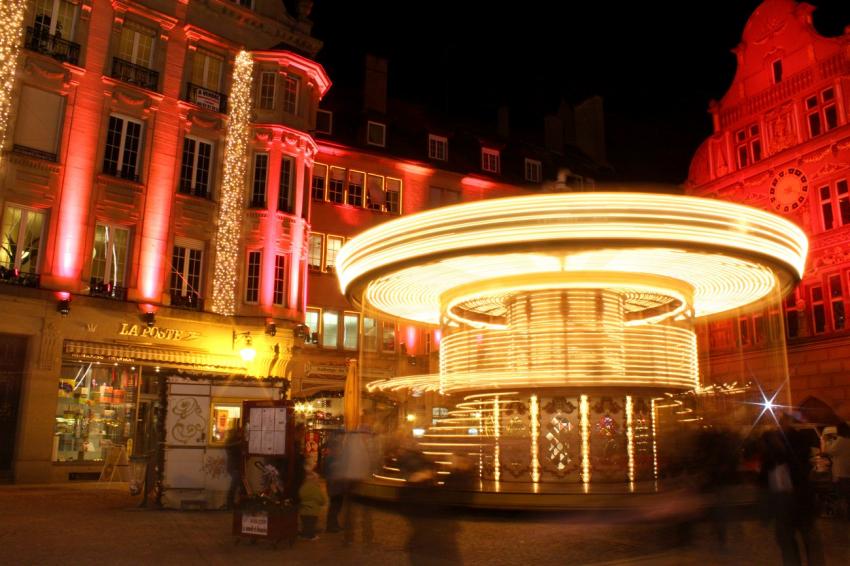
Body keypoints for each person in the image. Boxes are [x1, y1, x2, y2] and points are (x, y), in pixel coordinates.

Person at [823, 422, 850, 517]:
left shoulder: (840, 440)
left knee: (842, 494)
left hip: (841, 472)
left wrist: (827, 441)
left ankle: (843, 513)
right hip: (848, 471)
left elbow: (829, 452)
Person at [298, 468, 327, 540]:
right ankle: (310, 536)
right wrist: (322, 502)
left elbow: (299, 496)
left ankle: (304, 535)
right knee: (311, 524)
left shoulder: (302, 487)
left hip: (303, 510)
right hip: (313, 510)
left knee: (305, 524)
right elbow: (322, 499)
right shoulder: (316, 488)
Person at [224, 427, 244, 509]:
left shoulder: (232, 441)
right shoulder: (231, 442)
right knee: (235, 485)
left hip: (234, 465)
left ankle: (233, 502)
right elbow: (230, 447)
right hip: (234, 466)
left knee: (238, 484)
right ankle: (230, 503)